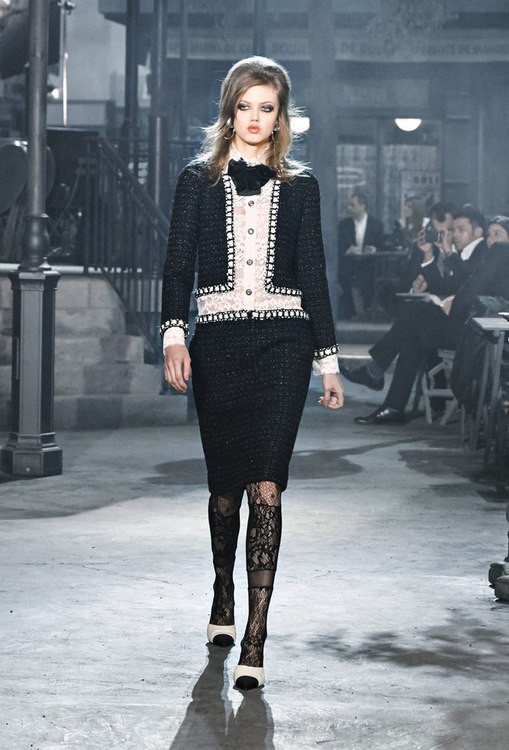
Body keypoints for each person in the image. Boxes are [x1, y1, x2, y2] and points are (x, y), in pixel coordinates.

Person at [160, 56, 344, 691]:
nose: (256, 118)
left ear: (281, 115)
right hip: (217, 344)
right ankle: (222, 592)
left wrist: (328, 361)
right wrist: (174, 336)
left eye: (267, 107)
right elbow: (177, 265)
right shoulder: (197, 181)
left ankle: (256, 638)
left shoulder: (302, 186)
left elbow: (314, 274)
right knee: (225, 490)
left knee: (267, 483)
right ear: (229, 111)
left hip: (285, 344)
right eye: (246, 106)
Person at [341, 205, 489, 424]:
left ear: (478, 232)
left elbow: (467, 282)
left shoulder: (483, 252)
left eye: (460, 230)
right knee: (413, 335)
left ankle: (375, 373)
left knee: (415, 315)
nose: (454, 234)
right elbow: (447, 286)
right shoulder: (463, 253)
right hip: (455, 324)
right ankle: (393, 406)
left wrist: (447, 255)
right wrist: (428, 255)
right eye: (453, 229)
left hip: (470, 332)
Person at [337, 192, 385, 319]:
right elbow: (339, 247)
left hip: (370, 264)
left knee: (370, 274)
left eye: (352, 205)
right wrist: (348, 250)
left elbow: (381, 245)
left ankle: (366, 310)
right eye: (348, 205)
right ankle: (356, 312)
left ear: (363, 206)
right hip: (350, 264)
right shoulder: (343, 225)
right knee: (349, 275)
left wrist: (374, 249)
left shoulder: (376, 225)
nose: (349, 208)